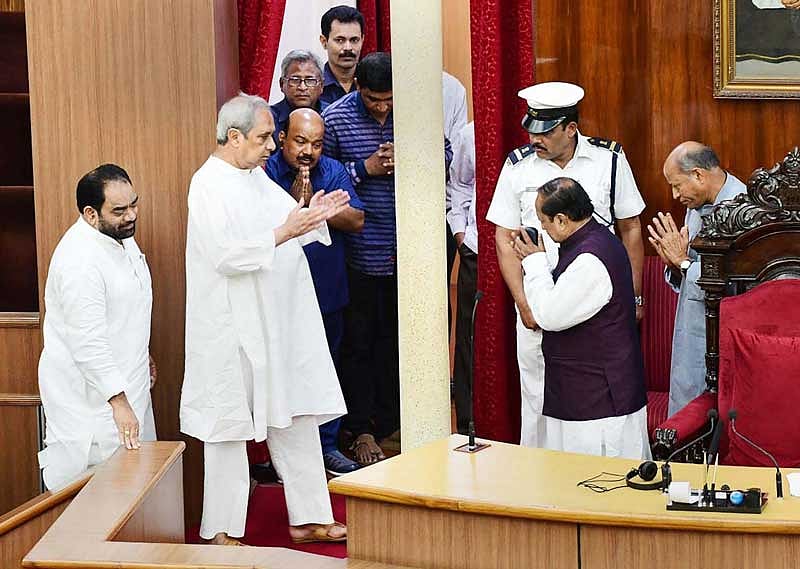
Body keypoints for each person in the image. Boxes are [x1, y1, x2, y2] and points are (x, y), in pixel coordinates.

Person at [181, 94, 351, 546]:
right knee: (228, 425)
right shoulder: (208, 184)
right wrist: (287, 230)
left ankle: (311, 515)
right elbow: (225, 254)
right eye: (261, 139)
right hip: (231, 325)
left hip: (274, 321)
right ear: (233, 137)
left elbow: (288, 221)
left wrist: (314, 214)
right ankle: (220, 528)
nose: (271, 148)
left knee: (293, 415)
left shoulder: (253, 177)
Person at [486, 81, 646, 448]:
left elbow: (630, 227)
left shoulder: (609, 160)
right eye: (530, 130)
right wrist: (524, 305)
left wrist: (633, 297)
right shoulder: (518, 167)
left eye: (544, 132)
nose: (534, 139)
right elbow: (504, 238)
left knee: (591, 400)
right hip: (537, 305)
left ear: (570, 129)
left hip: (594, 306)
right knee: (537, 398)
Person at [323, 52, 452, 465]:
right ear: (358, 87)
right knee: (360, 344)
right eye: (375, 99)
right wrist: (366, 168)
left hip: (416, 252)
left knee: (408, 342)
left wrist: (413, 159)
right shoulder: (337, 117)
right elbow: (323, 172)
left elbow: (447, 157)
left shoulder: (417, 111)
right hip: (363, 251)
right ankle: (361, 429)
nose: (383, 107)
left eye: (389, 99)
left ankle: (403, 426)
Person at [38, 164, 156, 491]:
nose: (131, 215)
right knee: (94, 502)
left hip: (128, 386)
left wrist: (142, 354)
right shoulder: (79, 260)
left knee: (136, 492)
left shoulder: (117, 235)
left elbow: (128, 307)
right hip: (95, 404)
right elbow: (87, 342)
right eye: (119, 210)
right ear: (91, 214)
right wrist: (118, 402)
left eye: (134, 203)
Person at [514, 177, 650, 459]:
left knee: (595, 490)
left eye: (545, 221)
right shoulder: (596, 241)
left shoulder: (590, 259)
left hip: (597, 405)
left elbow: (549, 315)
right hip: (585, 395)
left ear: (562, 220)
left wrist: (534, 262)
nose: (542, 228)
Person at [265, 107, 365, 476]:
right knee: (282, 372)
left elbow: (356, 219)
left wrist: (314, 210)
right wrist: (300, 206)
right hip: (279, 294)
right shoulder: (266, 170)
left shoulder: (333, 170)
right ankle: (281, 457)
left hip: (326, 290)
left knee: (326, 369)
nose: (308, 151)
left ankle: (326, 447)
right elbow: (265, 225)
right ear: (282, 139)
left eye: (317, 144)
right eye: (300, 141)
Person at [647, 141, 746, 416]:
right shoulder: (697, 204)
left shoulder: (742, 210)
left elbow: (734, 282)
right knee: (687, 424)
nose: (675, 195)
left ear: (699, 175)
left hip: (725, 340)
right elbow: (688, 266)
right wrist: (676, 264)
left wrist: (684, 263)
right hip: (692, 331)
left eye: (677, 185)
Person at [448, 121, 478, 434]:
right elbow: (459, 184)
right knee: (470, 335)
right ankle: (470, 424)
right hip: (478, 248)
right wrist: (462, 235)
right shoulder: (471, 133)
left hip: (535, 253)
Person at [269, 50, 327, 148]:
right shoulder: (268, 118)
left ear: (321, 86)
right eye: (295, 80)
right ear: (282, 84)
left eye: (310, 80)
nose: (302, 87)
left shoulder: (332, 116)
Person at [319, 5, 364, 107]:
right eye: (340, 40)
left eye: (354, 40)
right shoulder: (312, 86)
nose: (348, 48)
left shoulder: (373, 83)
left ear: (362, 40)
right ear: (324, 42)